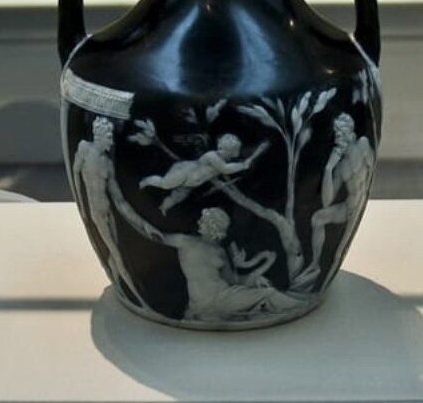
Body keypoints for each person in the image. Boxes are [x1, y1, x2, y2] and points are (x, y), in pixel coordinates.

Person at [113, 202, 306, 323]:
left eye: (204, 221)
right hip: (208, 303)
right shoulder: (185, 242)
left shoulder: (219, 251)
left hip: (224, 296)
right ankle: (299, 304)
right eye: (201, 221)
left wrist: (262, 265)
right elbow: (154, 235)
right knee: (269, 294)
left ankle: (299, 305)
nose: (199, 224)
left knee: (268, 293)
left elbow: (235, 281)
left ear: (213, 226)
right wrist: (128, 212)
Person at [71, 117, 146, 307]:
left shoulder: (106, 163)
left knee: (115, 252)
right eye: (109, 137)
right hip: (96, 212)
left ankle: (125, 288)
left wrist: (142, 224)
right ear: (99, 135)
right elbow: (76, 174)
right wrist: (85, 208)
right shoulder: (84, 148)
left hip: (108, 213)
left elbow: (119, 201)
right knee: (116, 253)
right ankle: (138, 297)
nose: (111, 141)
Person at [301, 113, 375, 288]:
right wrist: (329, 168)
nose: (338, 139)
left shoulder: (363, 146)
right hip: (347, 206)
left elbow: (369, 170)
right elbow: (327, 201)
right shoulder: (341, 166)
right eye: (337, 135)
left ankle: (328, 266)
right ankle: (314, 264)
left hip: (354, 205)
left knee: (338, 251)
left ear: (351, 132)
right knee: (318, 218)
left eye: (342, 134)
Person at [139, 134, 267, 213]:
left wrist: (243, 165)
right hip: (185, 172)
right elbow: (225, 169)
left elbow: (221, 171)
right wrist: (243, 165)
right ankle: (146, 181)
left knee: (177, 197)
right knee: (165, 184)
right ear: (226, 149)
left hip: (191, 183)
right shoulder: (212, 156)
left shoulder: (221, 161)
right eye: (233, 151)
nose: (232, 155)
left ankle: (163, 207)